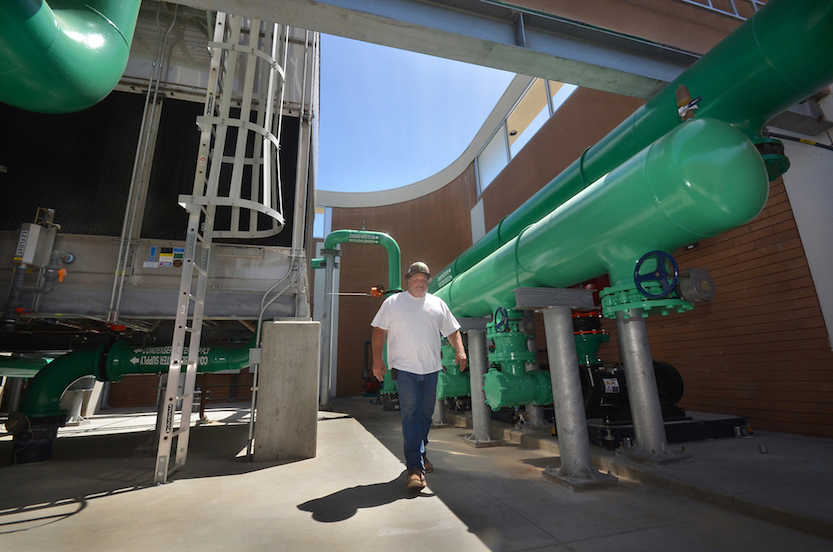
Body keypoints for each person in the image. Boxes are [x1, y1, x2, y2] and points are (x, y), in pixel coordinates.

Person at [371, 261, 467, 490]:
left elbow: (452, 330)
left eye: (424, 279)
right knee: (411, 416)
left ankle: (420, 454)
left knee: (425, 417)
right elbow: (379, 331)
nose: (420, 282)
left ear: (428, 281)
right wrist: (377, 360)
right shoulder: (393, 302)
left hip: (431, 369)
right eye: (416, 278)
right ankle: (414, 468)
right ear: (408, 280)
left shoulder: (437, 304)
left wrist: (460, 350)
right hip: (405, 371)